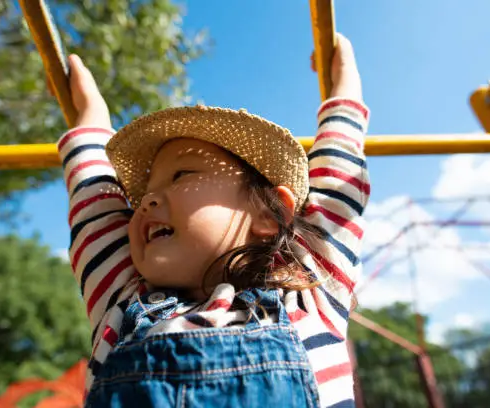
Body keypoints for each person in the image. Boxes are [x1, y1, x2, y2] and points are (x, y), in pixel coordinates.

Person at [57, 33, 369, 408]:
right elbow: (95, 201)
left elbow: (338, 177)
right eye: (141, 197)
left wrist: (344, 83)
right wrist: (91, 113)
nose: (146, 201)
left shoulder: (310, 292)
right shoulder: (121, 298)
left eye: (181, 175)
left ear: (269, 214)